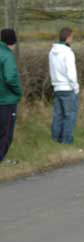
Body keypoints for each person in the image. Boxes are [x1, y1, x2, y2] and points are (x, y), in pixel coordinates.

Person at [49, 27, 79, 144]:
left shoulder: (52, 52)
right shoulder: (68, 52)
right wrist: (76, 87)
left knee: (58, 115)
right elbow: (71, 73)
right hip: (67, 87)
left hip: (56, 86)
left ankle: (55, 139)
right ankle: (67, 141)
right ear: (68, 37)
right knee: (69, 115)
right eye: (72, 37)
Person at [0, 28, 22, 163]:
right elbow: (10, 78)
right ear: (13, 42)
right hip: (6, 101)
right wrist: (19, 91)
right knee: (6, 134)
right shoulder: (7, 56)